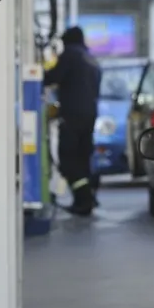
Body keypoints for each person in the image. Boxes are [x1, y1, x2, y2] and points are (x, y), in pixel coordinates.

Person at [44, 26, 101, 216]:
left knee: (68, 158)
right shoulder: (90, 58)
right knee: (83, 156)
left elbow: (52, 77)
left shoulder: (71, 54)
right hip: (89, 115)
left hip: (72, 115)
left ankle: (83, 199)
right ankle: (88, 196)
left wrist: (39, 71)